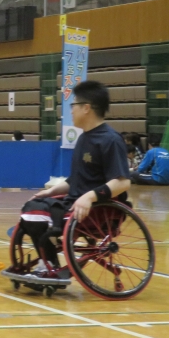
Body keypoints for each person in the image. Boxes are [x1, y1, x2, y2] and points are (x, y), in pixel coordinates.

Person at [14, 80, 130, 278]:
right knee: (33, 206)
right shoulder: (84, 138)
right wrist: (52, 191)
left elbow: (123, 182)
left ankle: (47, 265)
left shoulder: (110, 140)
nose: (71, 111)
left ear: (86, 108)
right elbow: (77, 179)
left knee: (35, 213)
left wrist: (90, 197)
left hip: (97, 210)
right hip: (72, 203)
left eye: (73, 105)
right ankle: (48, 263)